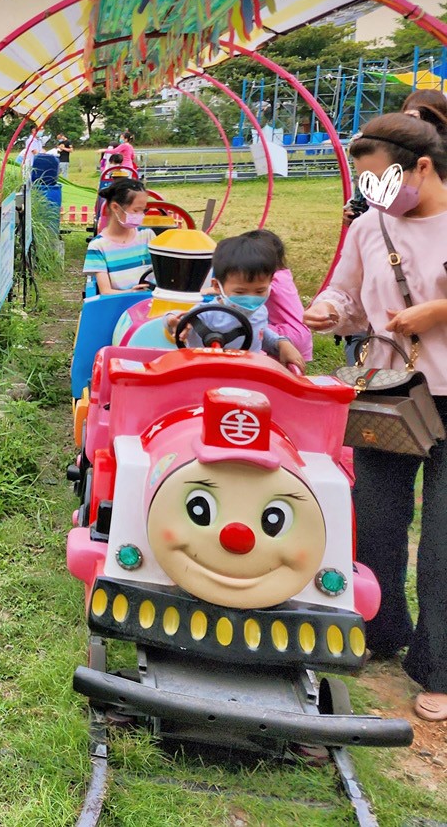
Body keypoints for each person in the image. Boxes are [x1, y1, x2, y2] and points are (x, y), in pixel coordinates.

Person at [303, 112, 447, 722]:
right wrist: (326, 310)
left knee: (442, 541)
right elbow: (351, 300)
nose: (374, 195)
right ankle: (381, 632)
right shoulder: (370, 228)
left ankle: (437, 666)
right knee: (377, 522)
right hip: (390, 393)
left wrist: (433, 312)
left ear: (420, 167)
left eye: (381, 180)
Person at [166, 232, 305, 368]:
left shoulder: (260, 311)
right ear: (217, 286)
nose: (252, 298)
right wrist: (173, 320)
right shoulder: (206, 314)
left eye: (260, 291)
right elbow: (175, 319)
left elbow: (260, 332)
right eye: (240, 292)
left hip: (247, 375)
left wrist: (281, 343)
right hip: (203, 373)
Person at [244, 228, 313, 359]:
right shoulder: (283, 274)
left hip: (287, 333)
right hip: (301, 332)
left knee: (247, 325)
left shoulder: (270, 280)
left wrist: (209, 290)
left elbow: (241, 293)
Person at [83, 178, 154, 295]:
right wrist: (130, 293)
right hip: (120, 306)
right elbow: (105, 291)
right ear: (115, 207)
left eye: (143, 210)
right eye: (136, 210)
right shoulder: (98, 246)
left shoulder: (147, 235)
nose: (140, 215)